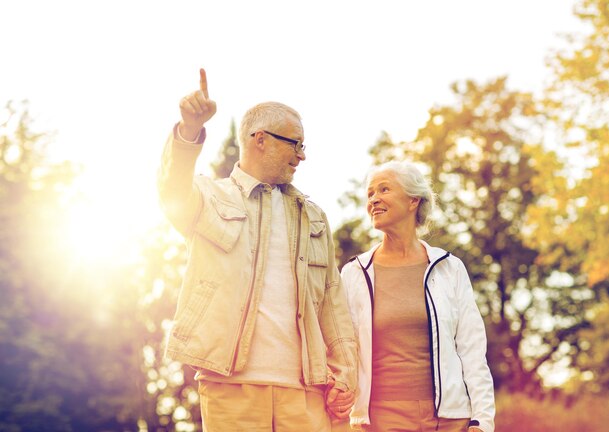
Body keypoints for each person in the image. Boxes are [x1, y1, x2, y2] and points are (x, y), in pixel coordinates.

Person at [157, 68, 357, 431]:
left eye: (303, 145)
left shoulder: (314, 217)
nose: (301, 155)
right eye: (294, 143)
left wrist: (345, 371)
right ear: (260, 139)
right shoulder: (209, 198)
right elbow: (171, 190)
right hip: (231, 387)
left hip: (307, 390)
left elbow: (332, 301)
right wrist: (188, 132)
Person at [339, 161, 495, 431]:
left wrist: (481, 419)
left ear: (413, 200)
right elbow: (343, 350)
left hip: (450, 420)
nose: (374, 199)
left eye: (384, 189)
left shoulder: (449, 267)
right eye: (370, 194)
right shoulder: (355, 273)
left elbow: (471, 348)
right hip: (383, 419)